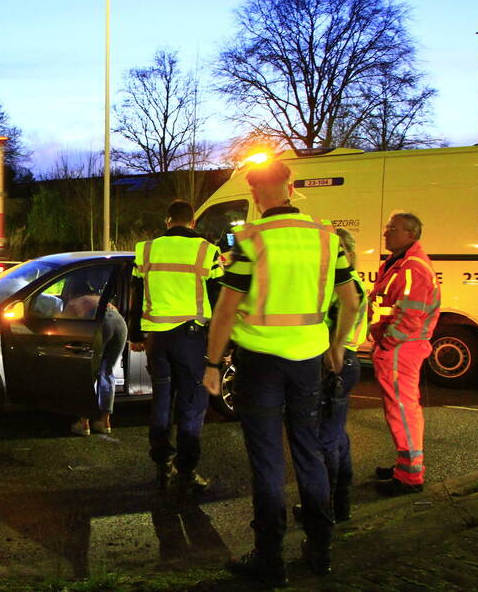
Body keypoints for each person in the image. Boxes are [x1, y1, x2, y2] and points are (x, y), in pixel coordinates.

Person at [204, 159, 358, 585]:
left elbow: (225, 310)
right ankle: (321, 548)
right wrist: (337, 345)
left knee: (268, 459)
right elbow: (351, 300)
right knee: (309, 451)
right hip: (309, 361)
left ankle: (270, 558)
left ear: (254, 193)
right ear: (291, 186)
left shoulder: (253, 241)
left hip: (259, 364)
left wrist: (213, 365)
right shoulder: (327, 239)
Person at [128, 200, 223, 492]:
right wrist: (222, 345)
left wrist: (135, 335)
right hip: (191, 339)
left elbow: (136, 294)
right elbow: (218, 299)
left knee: (161, 402)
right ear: (192, 222)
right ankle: (187, 469)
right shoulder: (208, 251)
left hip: (157, 339)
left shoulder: (146, 249)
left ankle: (162, 463)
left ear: (167, 221)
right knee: (192, 406)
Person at [294, 228, 368, 524]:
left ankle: (323, 509)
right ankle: (340, 504)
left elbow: (332, 328)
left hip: (336, 362)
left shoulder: (345, 286)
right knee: (337, 437)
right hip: (347, 362)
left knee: (325, 438)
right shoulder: (350, 283)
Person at [370, 212, 440, 496]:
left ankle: (410, 477)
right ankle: (405, 464)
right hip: (400, 348)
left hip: (400, 350)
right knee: (401, 410)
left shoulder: (412, 267)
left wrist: (388, 343)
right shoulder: (401, 263)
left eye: (393, 228)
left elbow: (410, 315)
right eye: (387, 227)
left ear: (411, 235)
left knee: (402, 411)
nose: (386, 232)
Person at [71, 274, 127, 436]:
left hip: (101, 323)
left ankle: (84, 422)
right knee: (107, 371)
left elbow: (66, 328)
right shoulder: (98, 297)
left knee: (89, 373)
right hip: (119, 323)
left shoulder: (74, 302)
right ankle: (104, 421)